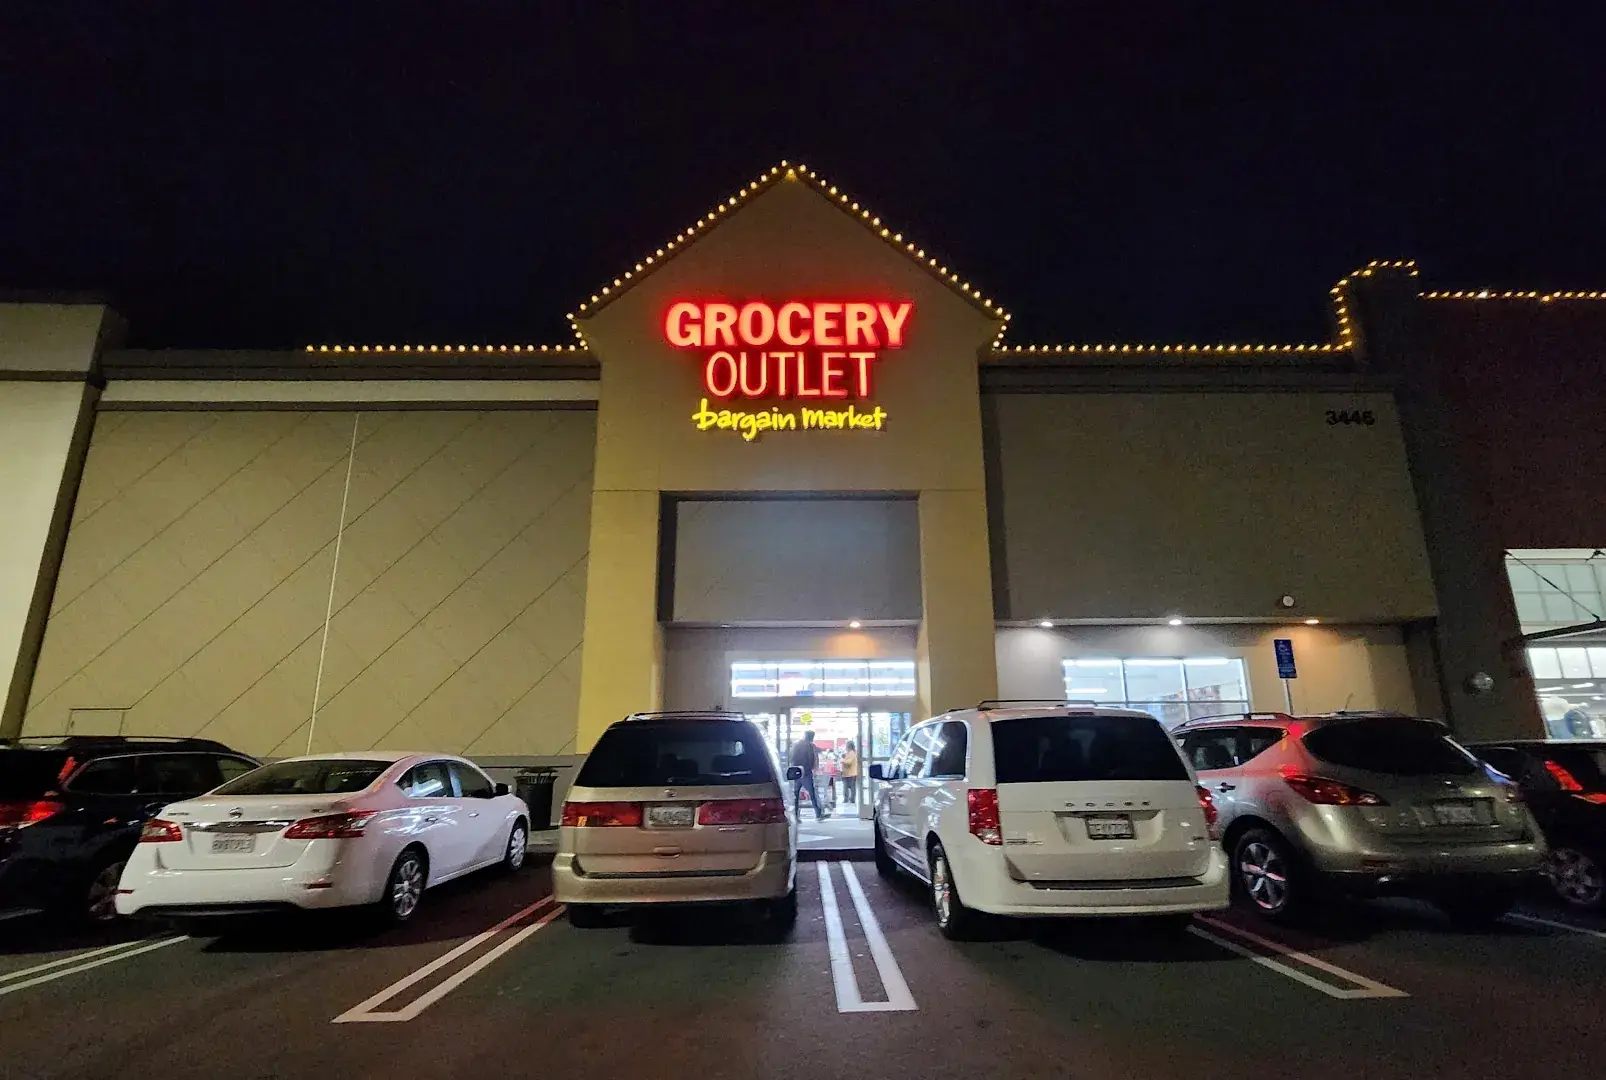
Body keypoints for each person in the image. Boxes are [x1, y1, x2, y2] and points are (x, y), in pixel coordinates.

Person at [788, 730, 825, 822]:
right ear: (812, 737)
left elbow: (791, 757)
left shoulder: (795, 745)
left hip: (796, 772)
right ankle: (818, 814)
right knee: (812, 794)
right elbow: (812, 759)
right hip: (806, 772)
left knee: (796, 795)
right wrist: (812, 769)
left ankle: (796, 815)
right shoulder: (810, 746)